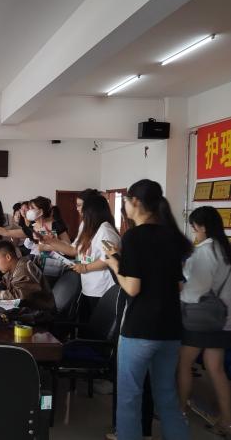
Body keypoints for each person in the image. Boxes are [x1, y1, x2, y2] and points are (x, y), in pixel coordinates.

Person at [103, 179, 192, 440]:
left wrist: (114, 264)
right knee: (167, 396)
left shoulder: (134, 236)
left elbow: (132, 288)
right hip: (171, 329)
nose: (125, 207)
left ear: (136, 202)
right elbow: (178, 285)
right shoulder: (172, 236)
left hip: (139, 329)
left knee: (130, 397)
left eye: (126, 202)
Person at [177, 206, 231, 436]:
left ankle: (179, 411)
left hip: (201, 319)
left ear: (203, 227)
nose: (194, 233)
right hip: (223, 318)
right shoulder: (224, 249)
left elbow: (195, 289)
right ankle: (226, 421)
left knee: (184, 363)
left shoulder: (205, 251)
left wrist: (179, 287)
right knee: (216, 368)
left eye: (194, 228)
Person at [43, 194, 120, 321]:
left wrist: (85, 267)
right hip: (87, 287)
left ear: (92, 211)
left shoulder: (105, 231)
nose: (78, 209)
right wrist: (52, 242)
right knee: (84, 322)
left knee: (97, 326)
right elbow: (73, 250)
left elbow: (109, 258)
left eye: (81, 207)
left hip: (102, 289)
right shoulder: (86, 226)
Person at [0, 240, 55, 311]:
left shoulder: (25, 268)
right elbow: (3, 284)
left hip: (40, 314)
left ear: (8, 257)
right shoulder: (12, 270)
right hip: (27, 311)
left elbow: (19, 298)